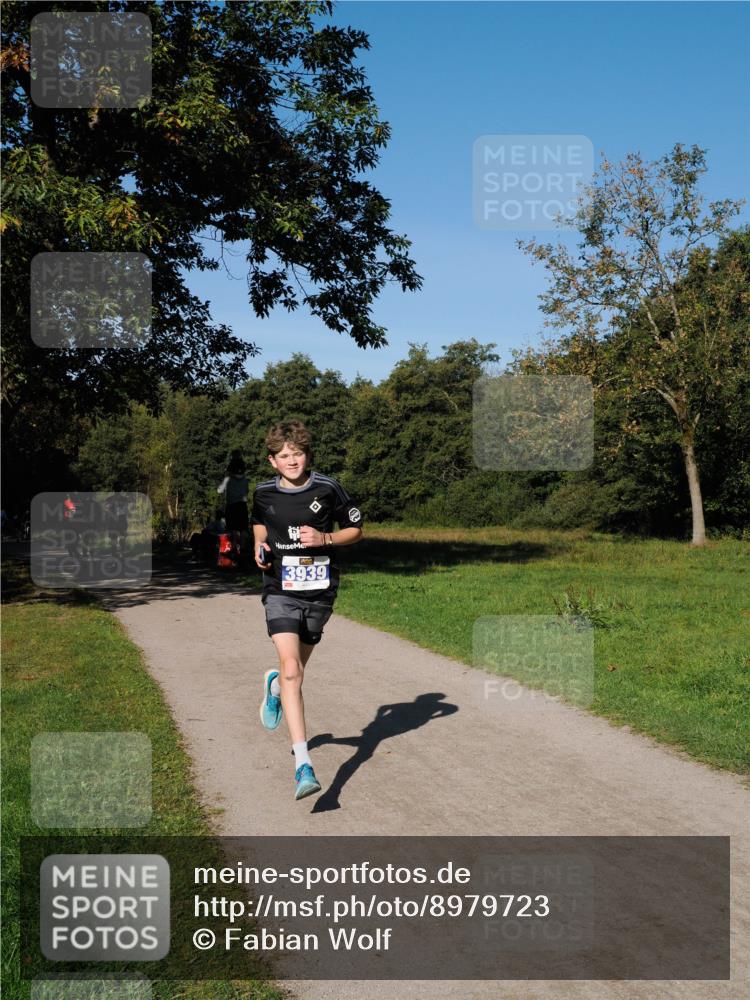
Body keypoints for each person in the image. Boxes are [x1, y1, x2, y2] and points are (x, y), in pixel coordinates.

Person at [251, 420, 363, 800]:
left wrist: (326, 537)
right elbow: (259, 524)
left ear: (307, 456)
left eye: (297, 453)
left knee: (294, 669)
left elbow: (356, 529)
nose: (292, 460)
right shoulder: (263, 493)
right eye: (284, 456)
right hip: (280, 588)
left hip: (320, 591)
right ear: (273, 461)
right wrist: (259, 547)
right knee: (293, 671)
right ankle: (303, 766)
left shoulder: (328, 487)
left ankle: (274, 687)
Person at [217, 450, 250, 563]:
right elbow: (246, 491)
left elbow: (219, 491)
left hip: (232, 505)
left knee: (233, 529)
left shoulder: (228, 479)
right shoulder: (245, 480)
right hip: (243, 505)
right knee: (244, 528)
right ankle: (244, 549)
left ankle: (235, 550)